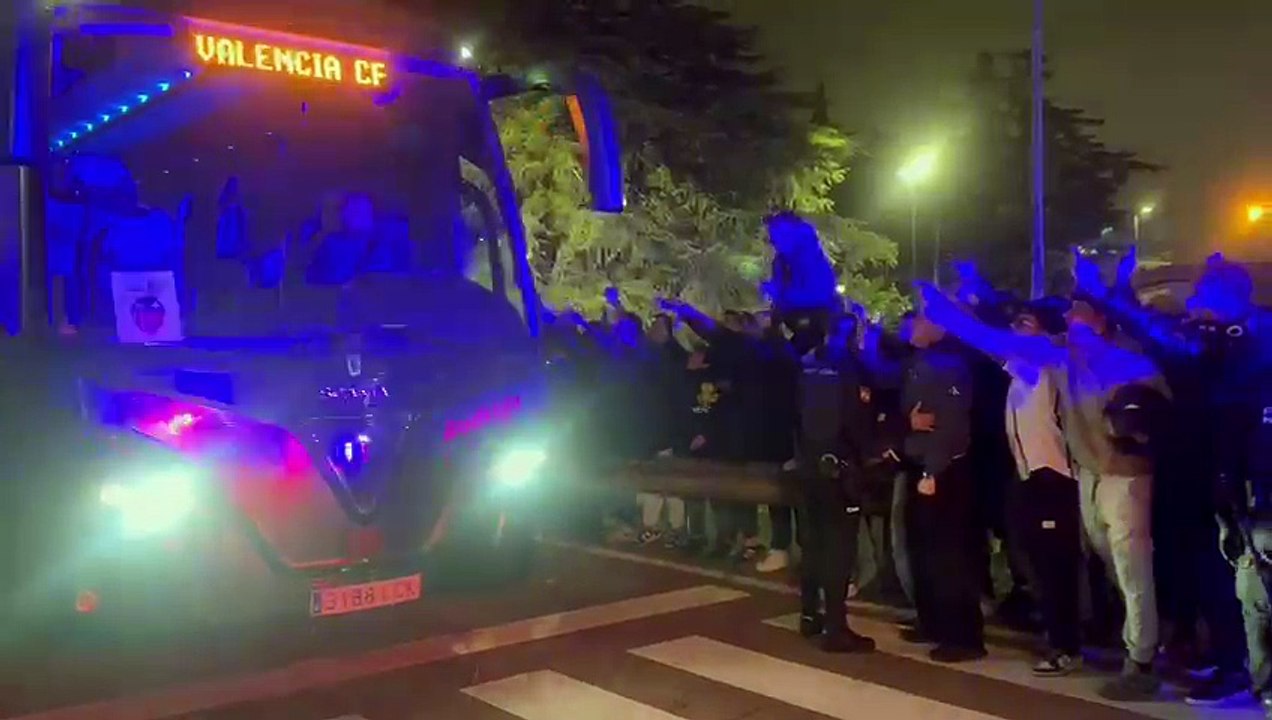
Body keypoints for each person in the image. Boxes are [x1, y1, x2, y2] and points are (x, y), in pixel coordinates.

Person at [919, 278, 1167, 698]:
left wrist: (1137, 422)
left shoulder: (1128, 358)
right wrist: (948, 315)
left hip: (1125, 474)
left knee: (1130, 568)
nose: (1069, 319)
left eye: (1078, 313)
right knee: (1112, 567)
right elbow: (995, 341)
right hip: (1089, 472)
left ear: (1101, 320)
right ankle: (1133, 636)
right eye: (1067, 312)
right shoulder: (1062, 354)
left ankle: (1141, 660)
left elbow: (1159, 404)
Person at [899, 300, 985, 663]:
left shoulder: (949, 366)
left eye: (921, 319)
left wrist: (933, 470)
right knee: (925, 551)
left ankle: (963, 636)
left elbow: (949, 425)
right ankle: (933, 621)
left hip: (944, 471)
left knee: (949, 555)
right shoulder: (920, 363)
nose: (913, 325)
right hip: (921, 466)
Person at [1002, 298, 1084, 676]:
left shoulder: (1047, 366)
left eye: (1026, 323)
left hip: (1054, 477)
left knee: (1057, 566)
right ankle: (1056, 634)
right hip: (1029, 476)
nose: (1017, 331)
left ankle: (1067, 645)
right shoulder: (1020, 371)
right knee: (1036, 561)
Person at [794, 314, 878, 653]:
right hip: (838, 469)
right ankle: (836, 627)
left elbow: (796, 415)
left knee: (813, 544)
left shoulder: (806, 364)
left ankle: (809, 615)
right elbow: (855, 421)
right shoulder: (848, 367)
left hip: (809, 466)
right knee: (839, 549)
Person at [762, 211, 841, 354]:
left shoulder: (812, 259)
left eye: (777, 233)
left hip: (812, 322)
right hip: (792, 319)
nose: (772, 239)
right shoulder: (781, 261)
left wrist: (781, 295)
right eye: (772, 234)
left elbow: (820, 296)